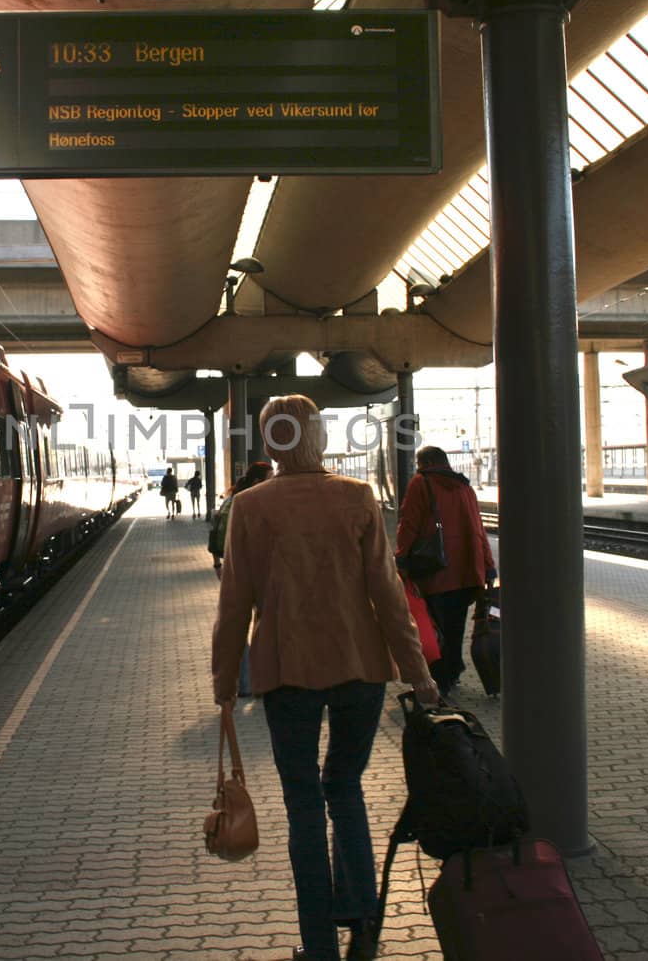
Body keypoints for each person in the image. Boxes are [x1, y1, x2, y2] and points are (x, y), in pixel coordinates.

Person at [212, 395, 437, 961]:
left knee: (304, 804)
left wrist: (223, 683)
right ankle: (362, 922)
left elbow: (234, 603)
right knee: (345, 788)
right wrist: (418, 674)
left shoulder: (251, 505)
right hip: (359, 667)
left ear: (270, 443)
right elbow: (388, 595)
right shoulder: (356, 497)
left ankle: (318, 947)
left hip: (286, 671)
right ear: (321, 437)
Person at [395, 444, 496, 698]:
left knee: (435, 627)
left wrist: (402, 557)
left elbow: (409, 523)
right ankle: (453, 670)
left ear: (425, 463)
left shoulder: (421, 483)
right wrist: (489, 565)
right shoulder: (464, 486)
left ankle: (441, 677)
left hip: (435, 570)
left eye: (419, 464)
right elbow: (478, 529)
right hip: (466, 570)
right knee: (455, 625)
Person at [208, 460, 272, 698]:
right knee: (255, 621)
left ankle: (246, 682)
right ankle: (253, 680)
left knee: (238, 620)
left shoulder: (230, 500)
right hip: (251, 570)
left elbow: (214, 532)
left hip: (231, 567)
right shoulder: (251, 504)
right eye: (269, 477)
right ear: (258, 482)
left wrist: (217, 563)